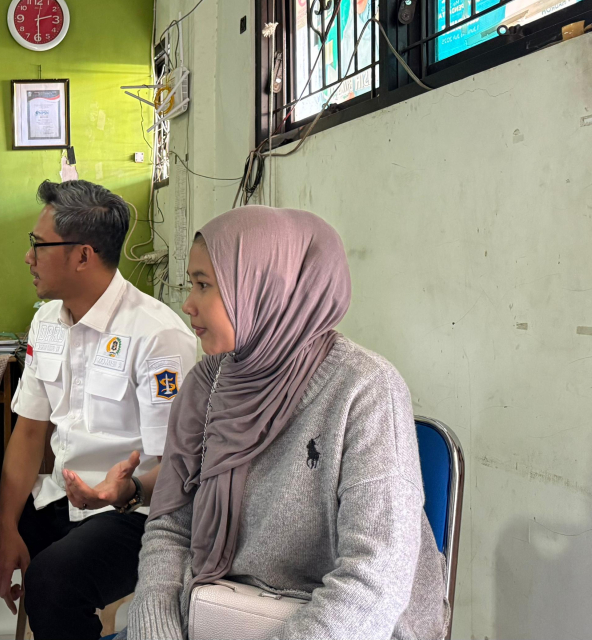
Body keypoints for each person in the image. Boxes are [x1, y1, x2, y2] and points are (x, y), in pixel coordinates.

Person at [128, 206, 446, 639]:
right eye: (191, 283)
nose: (187, 304)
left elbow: (374, 582)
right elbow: (171, 528)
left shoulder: (365, 389)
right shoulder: (206, 386)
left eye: (204, 285)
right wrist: (157, 629)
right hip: (215, 614)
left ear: (263, 289)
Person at [0, 180, 197, 640]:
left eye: (38, 245)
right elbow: (29, 433)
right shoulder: (46, 322)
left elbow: (178, 468)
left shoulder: (157, 336)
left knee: (54, 583)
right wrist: (6, 528)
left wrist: (124, 491)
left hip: (133, 516)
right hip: (57, 500)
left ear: (83, 255)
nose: (28, 257)